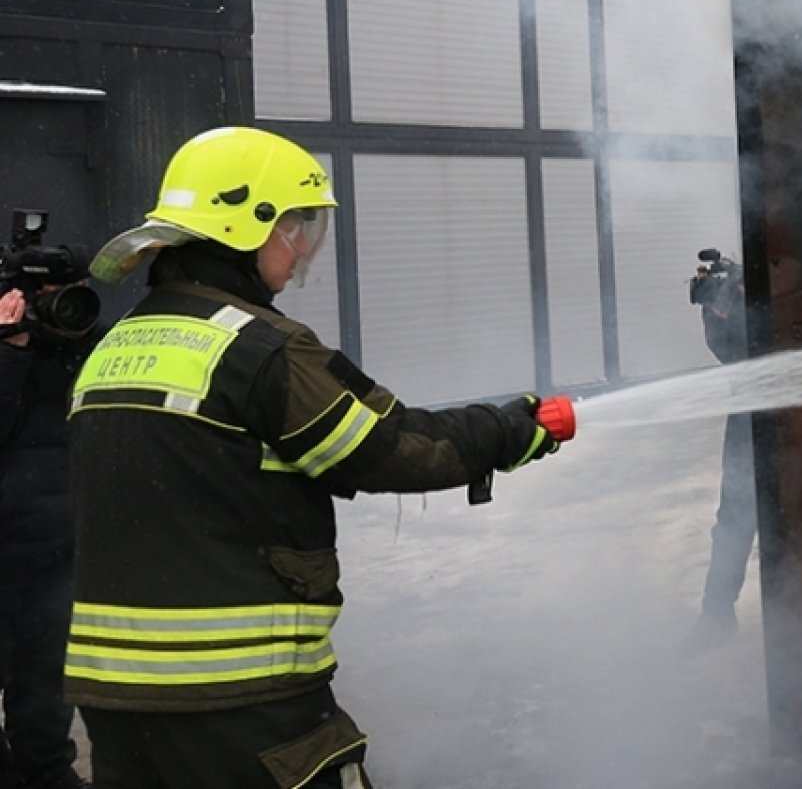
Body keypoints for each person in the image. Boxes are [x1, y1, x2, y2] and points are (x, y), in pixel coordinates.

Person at [65, 126, 563, 788]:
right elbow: (391, 450)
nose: (301, 248)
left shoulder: (113, 349)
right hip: (243, 696)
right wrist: (507, 429)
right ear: (247, 225)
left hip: (117, 702)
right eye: (295, 224)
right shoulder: (258, 350)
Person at [1, 279, 100, 789]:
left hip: (58, 545)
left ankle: (46, 769)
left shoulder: (82, 349)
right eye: (48, 295)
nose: (58, 305)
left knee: (46, 674)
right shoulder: (9, 350)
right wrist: (9, 353)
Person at [684, 249, 756, 651]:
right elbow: (731, 353)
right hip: (748, 418)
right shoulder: (743, 292)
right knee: (734, 517)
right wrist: (716, 310)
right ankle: (716, 615)